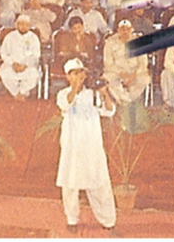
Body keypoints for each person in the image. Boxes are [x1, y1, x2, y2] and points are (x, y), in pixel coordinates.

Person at [56, 58, 117, 232]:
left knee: (99, 183)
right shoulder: (62, 94)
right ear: (68, 76)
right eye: (75, 73)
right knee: (70, 184)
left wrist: (104, 93)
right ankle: (72, 219)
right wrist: (75, 87)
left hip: (92, 145)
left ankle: (108, 221)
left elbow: (109, 111)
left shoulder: (93, 94)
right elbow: (66, 104)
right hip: (72, 147)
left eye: (81, 72)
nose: (80, 76)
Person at [0, 14, 42, 99]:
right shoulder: (9, 37)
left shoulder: (33, 38)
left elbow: (36, 55)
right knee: (5, 73)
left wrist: (25, 65)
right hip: (11, 65)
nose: (23, 27)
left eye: (26, 24)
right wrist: (13, 63)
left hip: (28, 66)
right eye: (21, 24)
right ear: (17, 25)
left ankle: (22, 92)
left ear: (29, 26)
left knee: (33, 75)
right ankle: (15, 93)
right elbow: (3, 53)